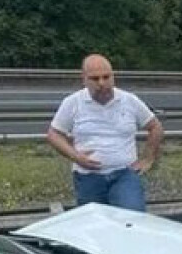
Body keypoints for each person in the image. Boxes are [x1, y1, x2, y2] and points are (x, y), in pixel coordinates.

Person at [47, 54, 163, 212]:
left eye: (106, 77)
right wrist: (75, 156)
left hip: (124, 174)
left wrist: (148, 158)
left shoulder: (129, 101)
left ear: (113, 76)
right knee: (93, 226)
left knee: (132, 219)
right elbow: (54, 134)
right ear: (84, 80)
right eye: (95, 79)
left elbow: (155, 127)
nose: (101, 83)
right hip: (88, 177)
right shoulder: (72, 103)